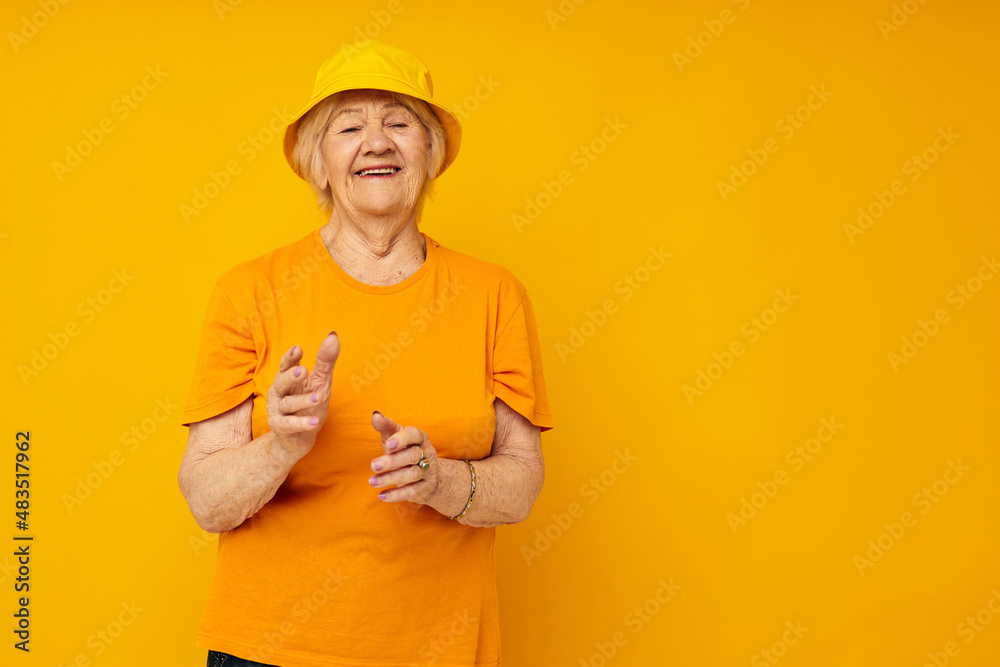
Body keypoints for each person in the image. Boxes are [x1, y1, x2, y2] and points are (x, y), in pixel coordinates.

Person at [177, 39, 554, 667]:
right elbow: (207, 502)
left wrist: (442, 481)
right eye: (349, 126)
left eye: (400, 123)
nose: (376, 142)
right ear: (317, 161)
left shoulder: (495, 295)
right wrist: (283, 443)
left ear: (429, 154)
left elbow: (521, 485)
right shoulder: (249, 292)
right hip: (268, 652)